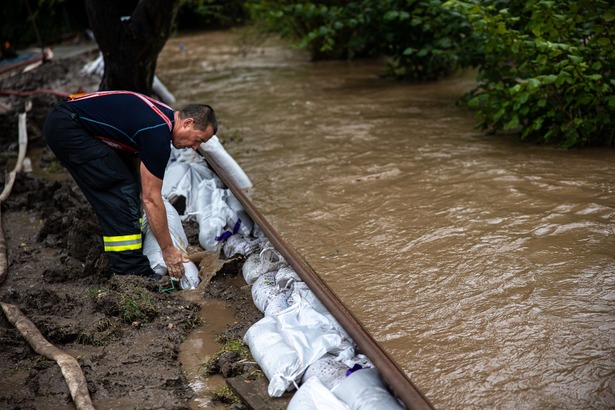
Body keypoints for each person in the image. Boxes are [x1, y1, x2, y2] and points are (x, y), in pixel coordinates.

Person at [43, 90, 218, 280]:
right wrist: (167, 249)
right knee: (118, 187)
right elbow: (151, 199)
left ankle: (130, 246)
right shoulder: (157, 134)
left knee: (128, 183)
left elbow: (139, 169)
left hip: (68, 121)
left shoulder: (163, 117)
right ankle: (131, 270)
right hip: (68, 128)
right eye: (198, 139)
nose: (195, 147)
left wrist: (144, 199)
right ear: (187, 123)